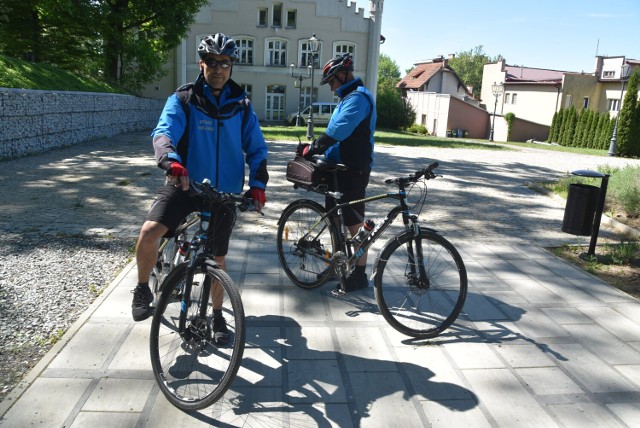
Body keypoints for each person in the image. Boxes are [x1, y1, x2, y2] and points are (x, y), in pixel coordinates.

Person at [132, 33, 269, 345]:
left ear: (232, 66)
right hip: (185, 184)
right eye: (212, 62)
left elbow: (257, 150)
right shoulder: (184, 99)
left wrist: (258, 186)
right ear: (201, 63)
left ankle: (217, 313)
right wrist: (170, 161)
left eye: (225, 63)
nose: (218, 69)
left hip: (224, 193)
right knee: (149, 232)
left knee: (217, 260)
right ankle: (142, 287)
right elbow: (164, 131)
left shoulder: (242, 106)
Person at [296, 53, 376, 294]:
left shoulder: (358, 99)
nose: (331, 86)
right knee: (334, 220)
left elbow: (338, 131)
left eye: (332, 81)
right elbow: (334, 132)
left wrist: (314, 147)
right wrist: (318, 151)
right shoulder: (347, 98)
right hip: (337, 169)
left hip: (353, 169)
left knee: (354, 224)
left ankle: (360, 274)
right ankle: (336, 265)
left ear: (343, 75)